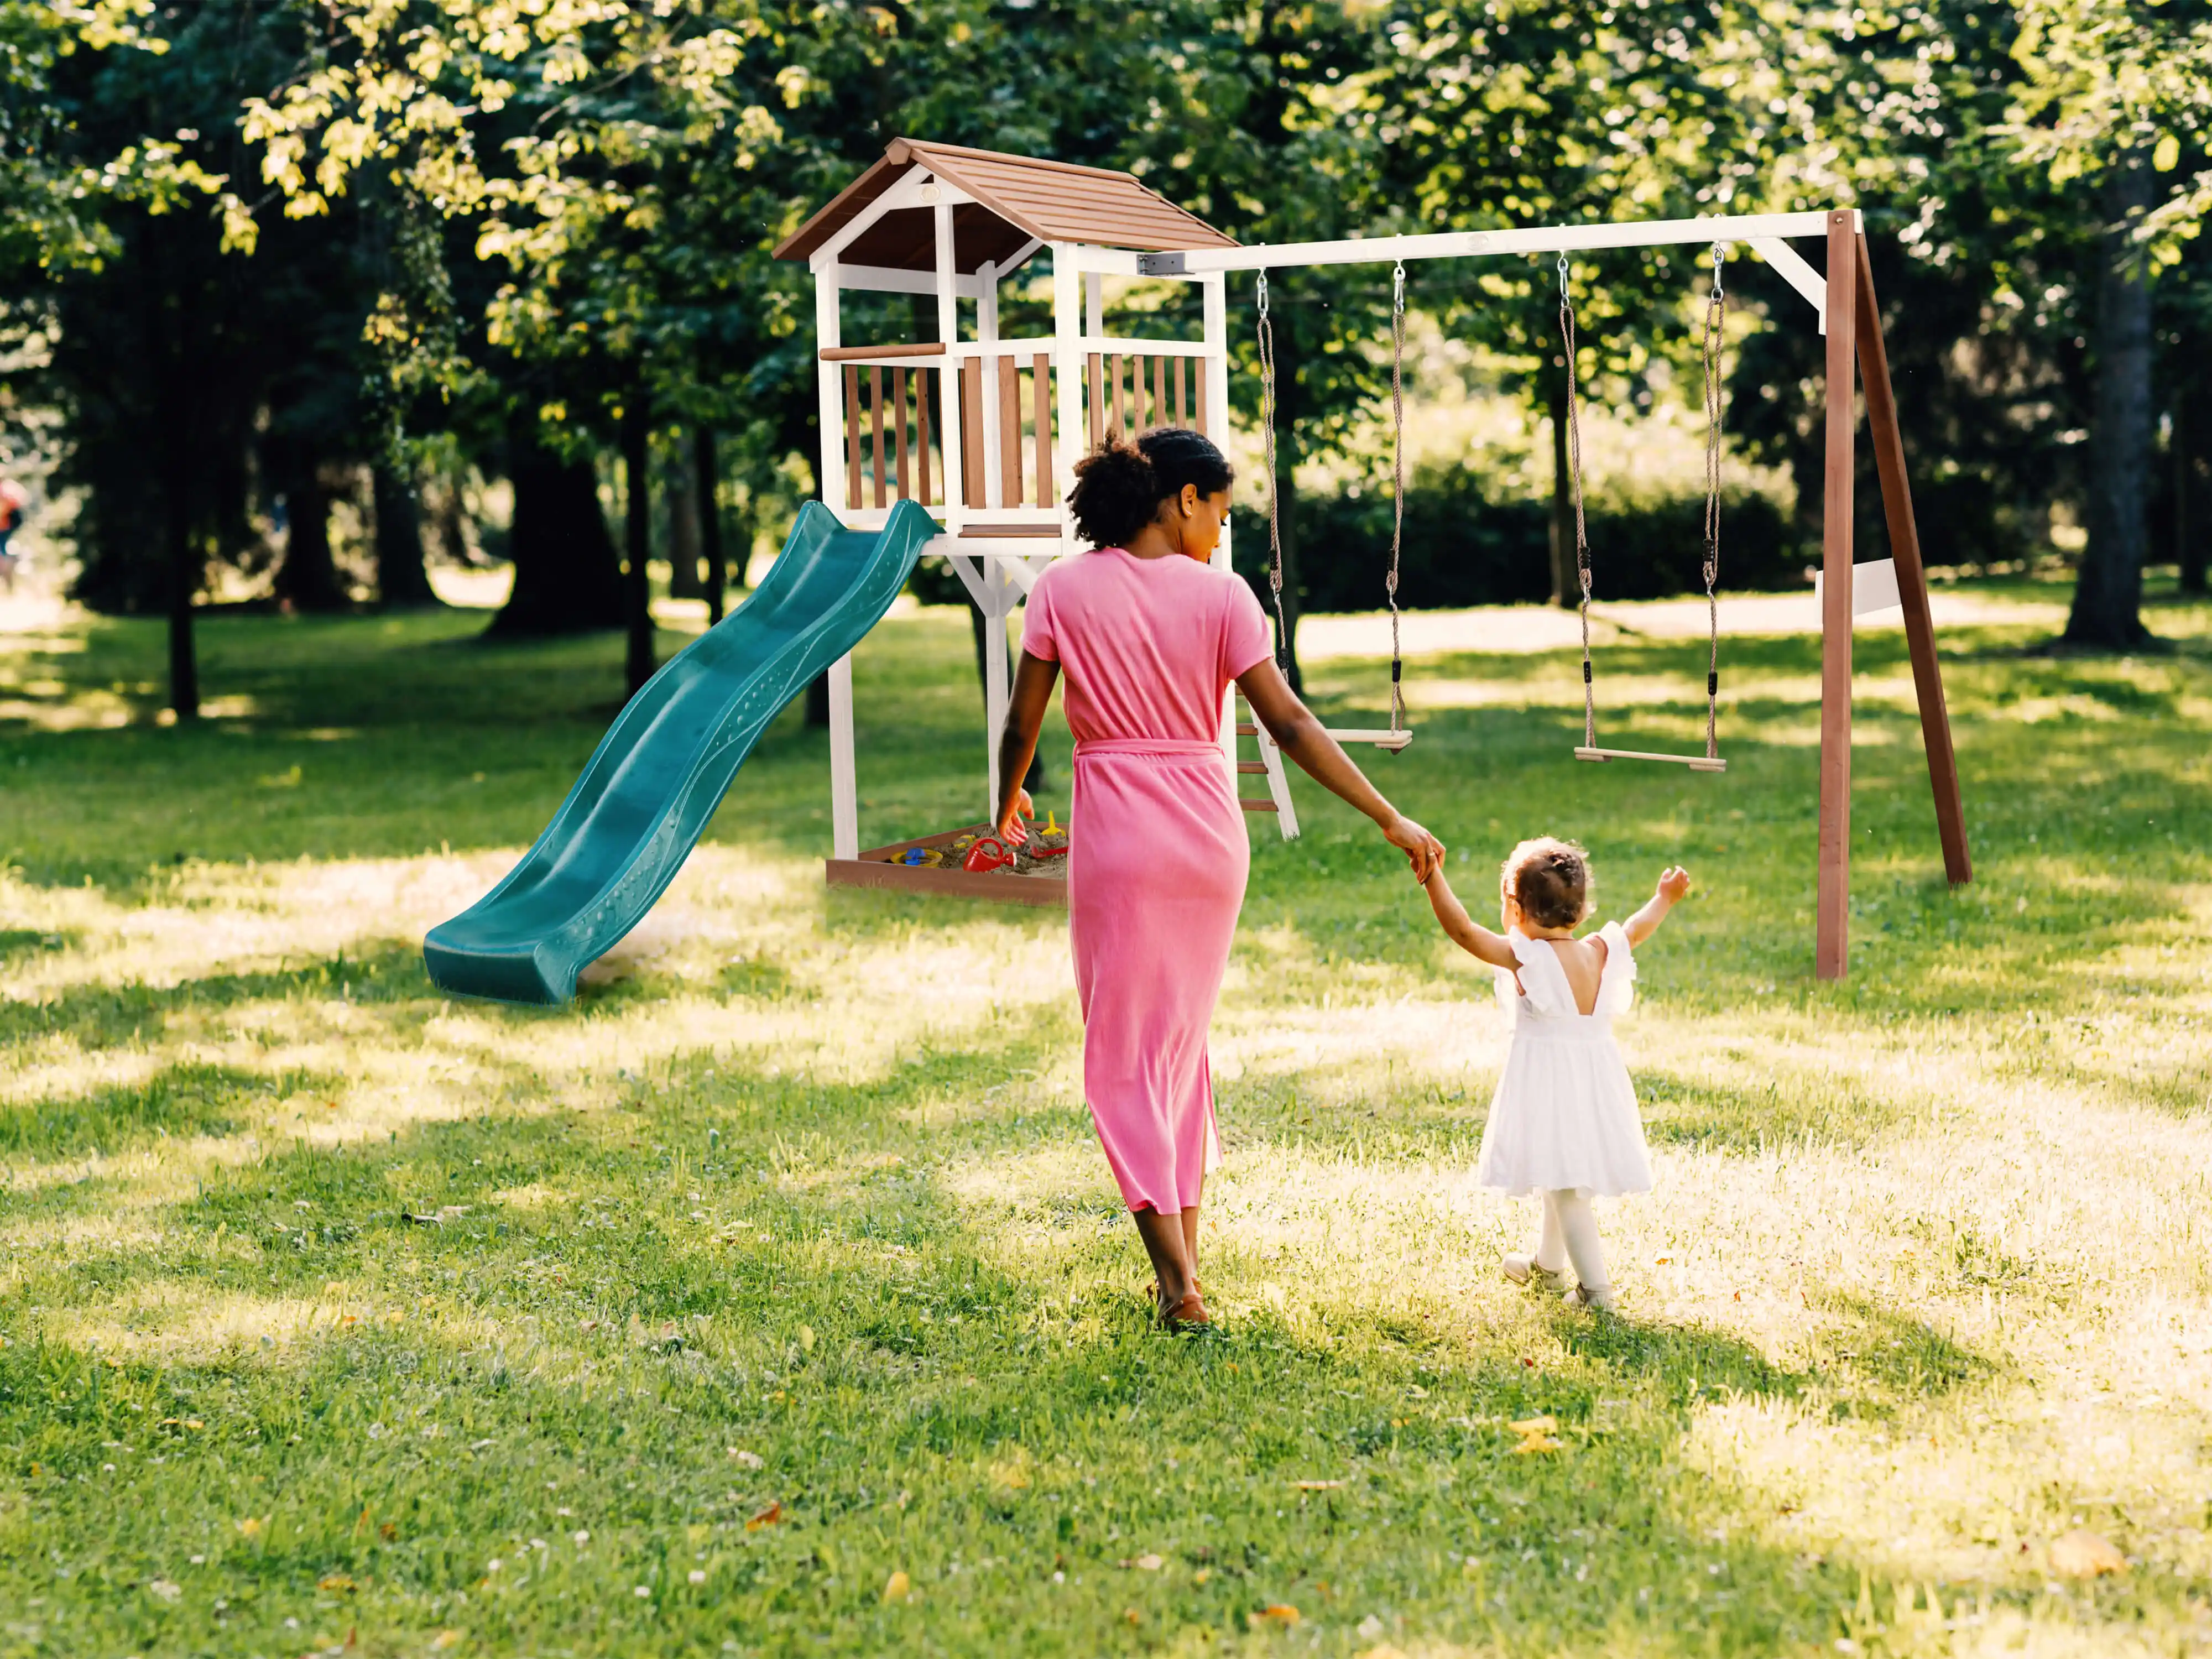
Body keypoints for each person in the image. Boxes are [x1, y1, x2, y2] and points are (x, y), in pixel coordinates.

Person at [993, 428, 1444, 1331]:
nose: (1221, 532)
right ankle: (1186, 1267)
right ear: (1182, 499)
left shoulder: (1061, 590)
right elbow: (1291, 725)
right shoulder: (1224, 598)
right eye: (1221, 512)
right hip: (1207, 841)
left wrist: (1002, 809)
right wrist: (1386, 814)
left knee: (1124, 1058)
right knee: (1176, 1051)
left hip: (1120, 840)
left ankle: (1176, 1285)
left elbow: (1022, 725)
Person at [1418, 838, 1692, 1311]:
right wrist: (1664, 898)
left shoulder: (1527, 958)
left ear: (1516, 909)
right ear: (1581, 911)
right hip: (1594, 1082)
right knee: (1556, 1170)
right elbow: (1636, 928)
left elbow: (1463, 931)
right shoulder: (1600, 951)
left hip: (1550, 1085)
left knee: (1566, 1189)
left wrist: (1431, 876)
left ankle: (1596, 1292)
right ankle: (1548, 1267)